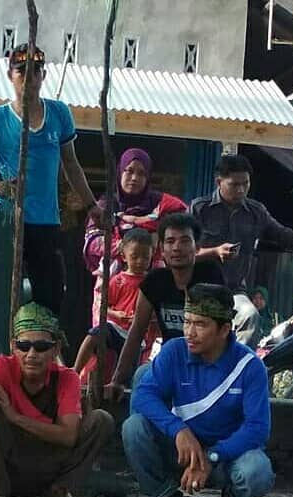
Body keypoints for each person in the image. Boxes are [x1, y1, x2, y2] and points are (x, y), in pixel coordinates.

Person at [0, 44, 100, 351]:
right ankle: (7, 354)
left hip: (46, 219)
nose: (28, 78)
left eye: (34, 72)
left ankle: (46, 352)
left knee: (52, 292)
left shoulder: (59, 113)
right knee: (8, 294)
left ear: (43, 75)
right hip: (8, 217)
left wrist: (91, 205)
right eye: (21, 71)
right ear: (10, 75)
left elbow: (71, 163)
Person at [122, 283, 274, 497]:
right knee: (134, 427)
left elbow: (257, 428)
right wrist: (179, 431)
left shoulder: (250, 366)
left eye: (200, 324)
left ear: (224, 329)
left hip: (226, 457)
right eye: (188, 322)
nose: (190, 332)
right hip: (181, 452)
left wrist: (212, 456)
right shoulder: (174, 351)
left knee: (256, 470)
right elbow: (143, 396)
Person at [0, 302, 114, 497]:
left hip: (45, 468)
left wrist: (15, 417)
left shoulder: (67, 378)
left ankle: (59, 490)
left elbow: (68, 435)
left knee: (101, 420)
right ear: (13, 347)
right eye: (24, 346)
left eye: (41, 347)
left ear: (55, 349)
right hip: (2, 464)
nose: (32, 354)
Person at [190, 154, 293, 346]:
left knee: (250, 316)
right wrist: (214, 252)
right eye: (234, 184)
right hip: (199, 289)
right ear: (218, 182)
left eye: (245, 184)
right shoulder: (199, 209)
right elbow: (182, 254)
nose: (241, 190)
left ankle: (239, 371)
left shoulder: (256, 212)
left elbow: (288, 239)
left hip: (234, 291)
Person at [106, 213, 224, 396]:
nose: (177, 248)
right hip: (170, 363)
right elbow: (137, 331)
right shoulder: (155, 281)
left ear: (197, 247)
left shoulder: (210, 275)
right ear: (162, 248)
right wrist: (117, 380)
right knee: (142, 375)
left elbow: (220, 332)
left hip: (207, 364)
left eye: (185, 241)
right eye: (170, 241)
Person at [74, 229, 158, 393]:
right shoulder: (118, 281)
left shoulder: (152, 282)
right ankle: (75, 370)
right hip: (117, 328)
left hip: (138, 336)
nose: (140, 261)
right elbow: (104, 306)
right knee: (95, 333)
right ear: (124, 255)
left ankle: (122, 387)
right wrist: (117, 314)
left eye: (145, 257)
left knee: (130, 367)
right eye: (135, 256)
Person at [82, 148, 187, 276]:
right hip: (113, 282)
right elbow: (92, 242)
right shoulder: (106, 205)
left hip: (152, 279)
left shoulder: (160, 204)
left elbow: (180, 232)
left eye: (142, 173)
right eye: (129, 171)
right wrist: (129, 246)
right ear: (120, 172)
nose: (134, 178)